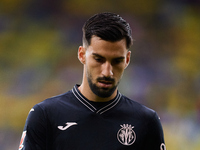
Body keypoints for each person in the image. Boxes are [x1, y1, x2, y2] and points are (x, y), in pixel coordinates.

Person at [18, 12, 166, 150]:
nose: (107, 72)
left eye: (116, 61)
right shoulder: (45, 115)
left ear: (127, 60)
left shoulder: (146, 121)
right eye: (99, 59)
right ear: (82, 55)